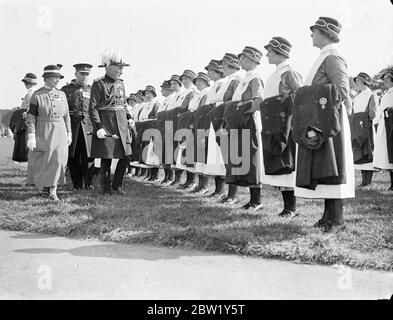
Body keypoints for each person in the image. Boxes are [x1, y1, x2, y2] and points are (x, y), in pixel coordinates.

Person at [293, 17, 354, 233]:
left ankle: (338, 221)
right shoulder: (324, 57)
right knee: (325, 168)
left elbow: (342, 91)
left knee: (333, 168)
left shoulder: (333, 57)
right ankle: (328, 216)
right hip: (321, 120)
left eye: (314, 31)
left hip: (330, 122)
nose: (311, 35)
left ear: (326, 33)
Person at [261, 37, 303, 217]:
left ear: (280, 52)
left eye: (270, 51)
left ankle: (291, 208)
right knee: (278, 162)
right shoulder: (273, 74)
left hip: (286, 125)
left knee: (287, 163)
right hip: (272, 123)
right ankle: (287, 206)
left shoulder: (289, 73)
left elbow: (299, 96)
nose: (267, 54)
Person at [89, 49, 133, 195]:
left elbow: (123, 104)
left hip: (121, 125)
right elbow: (93, 107)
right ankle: (106, 187)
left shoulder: (121, 83)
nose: (121, 70)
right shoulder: (98, 84)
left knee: (126, 156)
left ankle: (117, 185)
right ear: (108, 67)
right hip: (107, 124)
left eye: (122, 68)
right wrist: (98, 127)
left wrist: (129, 117)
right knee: (106, 157)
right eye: (118, 67)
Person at [26, 65, 72, 201]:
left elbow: (67, 115)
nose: (58, 80)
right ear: (46, 78)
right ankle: (45, 187)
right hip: (43, 130)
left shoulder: (62, 94)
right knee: (44, 160)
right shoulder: (36, 95)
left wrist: (69, 132)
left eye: (59, 77)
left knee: (58, 160)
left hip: (60, 131)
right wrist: (31, 134)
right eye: (55, 77)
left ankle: (53, 191)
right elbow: (31, 116)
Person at [227, 46, 264, 210]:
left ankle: (257, 200)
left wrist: (242, 111)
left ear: (250, 60)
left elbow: (258, 101)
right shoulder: (244, 78)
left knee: (252, 159)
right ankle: (251, 199)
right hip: (239, 122)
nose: (240, 61)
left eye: (242, 58)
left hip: (249, 121)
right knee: (242, 159)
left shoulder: (255, 78)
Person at [192, 59, 225, 194]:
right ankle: (206, 186)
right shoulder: (214, 86)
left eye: (211, 71)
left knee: (218, 157)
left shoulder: (221, 84)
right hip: (208, 121)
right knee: (208, 155)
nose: (209, 73)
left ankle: (220, 190)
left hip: (217, 122)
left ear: (218, 72)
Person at [61, 63, 95, 190]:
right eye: (82, 74)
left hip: (89, 127)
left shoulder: (93, 89)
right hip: (73, 127)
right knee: (73, 156)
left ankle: (88, 182)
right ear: (76, 74)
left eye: (87, 74)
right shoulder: (66, 89)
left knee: (89, 155)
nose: (84, 77)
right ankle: (77, 184)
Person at [351, 72, 378, 188]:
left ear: (364, 82)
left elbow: (373, 113)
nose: (356, 84)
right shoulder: (357, 97)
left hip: (367, 127)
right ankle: (363, 181)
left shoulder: (371, 95)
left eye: (358, 81)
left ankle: (368, 181)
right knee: (360, 152)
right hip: (357, 128)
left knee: (368, 151)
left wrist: (363, 117)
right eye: (356, 81)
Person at [10, 73, 38, 163]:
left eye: (25, 82)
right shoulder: (33, 92)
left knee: (26, 144)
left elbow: (29, 109)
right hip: (29, 121)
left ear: (27, 83)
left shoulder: (31, 94)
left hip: (28, 122)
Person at [373, 67, 393, 190]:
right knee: (387, 154)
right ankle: (392, 184)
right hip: (384, 125)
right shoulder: (386, 93)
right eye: (384, 79)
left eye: (387, 79)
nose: (385, 81)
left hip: (391, 124)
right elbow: (380, 110)